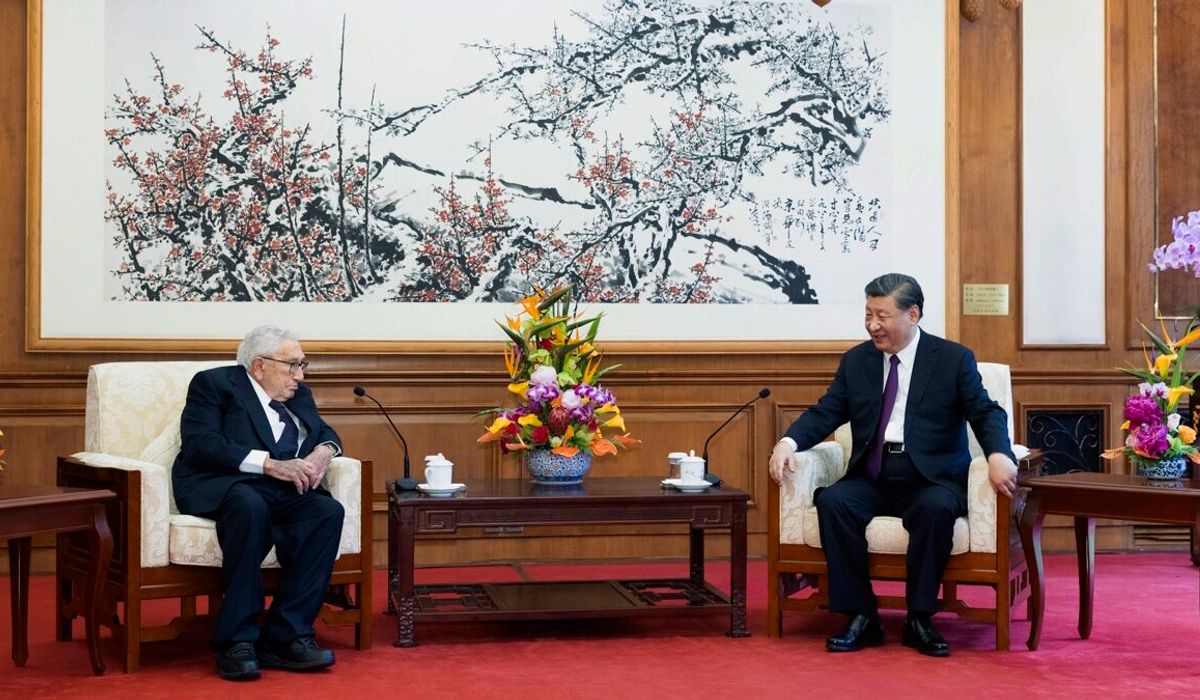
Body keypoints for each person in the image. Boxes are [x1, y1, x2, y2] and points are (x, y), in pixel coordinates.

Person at [768, 273, 1017, 657]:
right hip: (874, 474)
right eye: (868, 314)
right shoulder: (857, 361)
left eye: (881, 316)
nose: (872, 325)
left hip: (930, 478)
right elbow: (827, 411)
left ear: (912, 314)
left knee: (935, 510)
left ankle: (920, 618)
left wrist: (998, 454)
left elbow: (985, 412)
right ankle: (862, 616)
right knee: (834, 502)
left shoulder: (952, 359)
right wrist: (787, 443)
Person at [172, 325, 344, 681]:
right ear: (259, 366)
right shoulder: (215, 385)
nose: (300, 375)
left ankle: (287, 635)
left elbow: (323, 430)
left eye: (302, 365)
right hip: (227, 485)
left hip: (280, 490)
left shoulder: (297, 393)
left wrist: (325, 451)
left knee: (326, 512)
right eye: (292, 365)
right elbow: (201, 445)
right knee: (249, 506)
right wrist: (269, 464)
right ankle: (237, 641)